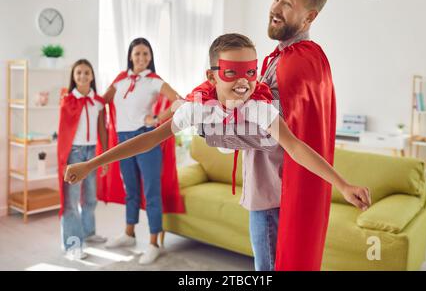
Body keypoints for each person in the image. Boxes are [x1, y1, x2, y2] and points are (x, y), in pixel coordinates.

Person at [64, 35, 371, 267]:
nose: (243, 82)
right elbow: (149, 138)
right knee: (181, 107)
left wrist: (342, 184)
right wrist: (92, 163)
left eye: (250, 72)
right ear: (211, 76)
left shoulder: (259, 104)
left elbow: (295, 146)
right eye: (231, 73)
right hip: (209, 120)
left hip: (240, 138)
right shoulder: (199, 107)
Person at [244, 0, 338, 270]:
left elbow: (268, 131)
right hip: (273, 191)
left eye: (287, 4)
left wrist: (211, 122)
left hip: (274, 196)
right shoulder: (292, 58)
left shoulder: (295, 63)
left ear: (309, 17)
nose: (275, 8)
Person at [101, 37, 184, 265]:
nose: (141, 58)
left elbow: (178, 100)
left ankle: (154, 242)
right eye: (137, 53)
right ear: (130, 56)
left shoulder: (154, 81)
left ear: (151, 57)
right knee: (131, 189)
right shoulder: (120, 80)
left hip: (145, 139)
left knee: (151, 191)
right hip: (122, 140)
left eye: (146, 54)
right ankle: (129, 234)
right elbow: (101, 101)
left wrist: (157, 118)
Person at [57, 59, 108, 260]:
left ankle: (89, 232)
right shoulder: (68, 100)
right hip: (74, 154)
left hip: (92, 153)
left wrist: (103, 156)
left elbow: (103, 129)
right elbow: (63, 132)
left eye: (87, 72)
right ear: (73, 76)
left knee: (90, 197)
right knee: (71, 200)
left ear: (92, 76)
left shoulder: (98, 102)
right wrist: (64, 162)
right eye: (78, 73)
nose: (83, 76)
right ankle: (72, 244)